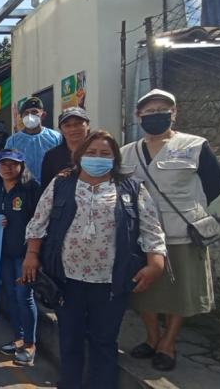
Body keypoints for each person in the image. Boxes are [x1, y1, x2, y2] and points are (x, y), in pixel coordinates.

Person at [22, 130, 167, 389]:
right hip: (67, 279)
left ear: (115, 158)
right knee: (70, 338)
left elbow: (151, 228)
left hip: (111, 282)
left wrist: (156, 262)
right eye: (91, 152)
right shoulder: (61, 184)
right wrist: (32, 255)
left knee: (104, 340)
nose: (97, 157)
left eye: (104, 153)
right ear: (79, 156)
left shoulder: (131, 188)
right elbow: (38, 223)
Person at [121, 89, 220, 371]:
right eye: (149, 111)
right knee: (143, 291)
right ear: (138, 115)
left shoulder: (194, 145)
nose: (156, 115)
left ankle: (168, 343)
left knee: (180, 292)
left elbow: (214, 184)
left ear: (174, 113)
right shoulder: (126, 152)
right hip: (141, 236)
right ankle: (152, 336)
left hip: (182, 232)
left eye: (162, 110)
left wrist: (190, 209)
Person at [0, 149, 40, 366]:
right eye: (3, 164)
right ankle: (17, 338)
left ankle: (30, 344)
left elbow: (39, 220)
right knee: (9, 295)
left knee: (24, 296)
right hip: (3, 253)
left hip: (24, 254)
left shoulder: (31, 188)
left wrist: (34, 254)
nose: (8, 168)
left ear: (21, 166)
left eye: (13, 164)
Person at [5, 97, 62, 183]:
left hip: (50, 187)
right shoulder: (13, 141)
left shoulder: (56, 137)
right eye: (26, 113)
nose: (30, 116)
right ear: (21, 117)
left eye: (34, 112)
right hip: (23, 189)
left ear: (43, 115)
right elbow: (7, 165)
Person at [40, 107, 91, 188]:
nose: (73, 129)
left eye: (78, 124)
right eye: (67, 125)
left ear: (88, 125)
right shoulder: (51, 157)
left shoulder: (98, 152)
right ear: (61, 130)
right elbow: (45, 189)